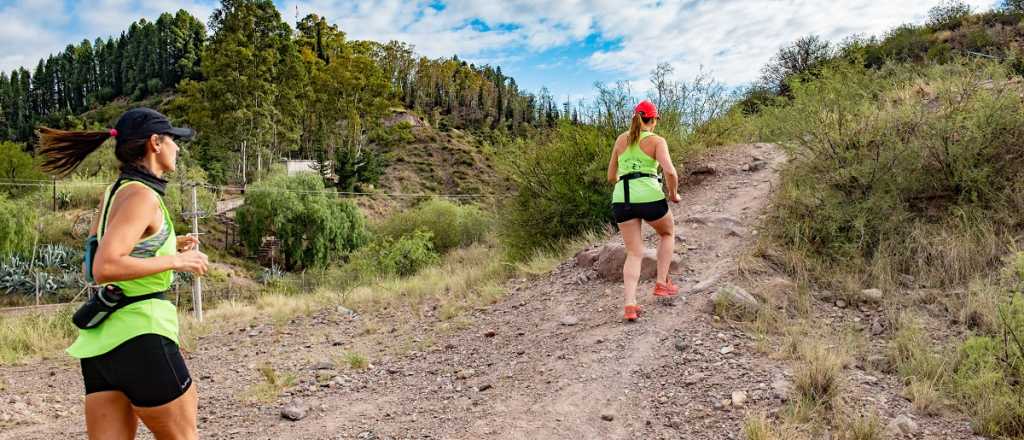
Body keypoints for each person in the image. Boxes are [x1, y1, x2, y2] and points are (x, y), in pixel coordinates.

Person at [38, 107, 209, 440]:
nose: (178, 148)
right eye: (174, 140)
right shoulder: (143, 196)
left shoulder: (115, 193)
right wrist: (177, 262)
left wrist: (169, 244)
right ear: (155, 143)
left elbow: (93, 260)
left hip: (101, 349)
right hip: (142, 335)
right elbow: (105, 267)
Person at [607, 100, 681, 321]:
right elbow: (670, 171)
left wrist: (627, 179)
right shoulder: (657, 141)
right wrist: (673, 194)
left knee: (634, 252)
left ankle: (630, 305)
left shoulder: (621, 139)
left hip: (622, 198)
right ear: (653, 120)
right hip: (649, 195)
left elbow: (611, 176)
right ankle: (661, 283)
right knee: (667, 233)